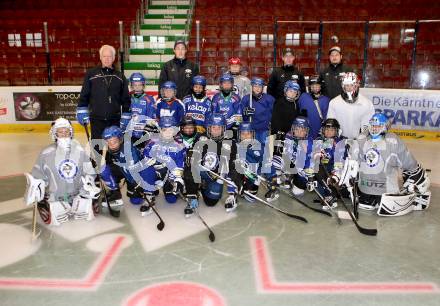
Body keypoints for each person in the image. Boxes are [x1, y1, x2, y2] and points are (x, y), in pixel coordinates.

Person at [344, 113, 431, 216]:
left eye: (378, 125)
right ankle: (417, 182)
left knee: (413, 172)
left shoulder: (392, 140)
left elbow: (409, 164)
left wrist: (415, 173)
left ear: (385, 126)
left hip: (386, 193)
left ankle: (418, 184)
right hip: (364, 192)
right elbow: (351, 163)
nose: (374, 128)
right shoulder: (361, 139)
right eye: (373, 125)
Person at [24, 118, 100, 226]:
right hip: (56, 197)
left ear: (71, 132)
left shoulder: (79, 150)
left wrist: (89, 181)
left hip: (78, 195)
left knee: (86, 208)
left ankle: (77, 203)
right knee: (56, 212)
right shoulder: (46, 153)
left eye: (66, 131)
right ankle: (51, 205)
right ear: (54, 133)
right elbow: (37, 174)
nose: (64, 134)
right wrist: (36, 186)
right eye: (60, 131)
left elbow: (89, 171)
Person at [184, 113, 241, 215]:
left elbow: (234, 164)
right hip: (201, 171)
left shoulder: (230, 143)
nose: (216, 130)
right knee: (190, 168)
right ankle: (192, 196)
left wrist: (234, 179)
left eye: (219, 127)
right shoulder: (201, 138)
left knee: (211, 202)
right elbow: (193, 154)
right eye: (213, 127)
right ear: (208, 127)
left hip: (216, 176)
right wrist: (190, 155)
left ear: (224, 128)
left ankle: (203, 187)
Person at [77, 45, 130, 142]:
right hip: (96, 119)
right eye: (104, 56)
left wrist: (126, 114)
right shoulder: (91, 74)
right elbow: (84, 95)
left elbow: (126, 99)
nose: (107, 59)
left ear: (114, 58)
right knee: (97, 150)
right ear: (100, 57)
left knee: (113, 150)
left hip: (114, 120)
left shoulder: (120, 76)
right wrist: (82, 109)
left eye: (109, 56)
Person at [100, 126, 156, 209]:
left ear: (120, 139)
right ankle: (115, 194)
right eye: (108, 142)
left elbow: (133, 168)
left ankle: (149, 194)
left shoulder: (128, 148)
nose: (111, 145)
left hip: (139, 173)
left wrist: (138, 184)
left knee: (148, 168)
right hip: (126, 172)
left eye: (114, 141)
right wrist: (103, 154)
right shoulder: (108, 149)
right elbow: (104, 166)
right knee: (103, 170)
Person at [142, 116, 186, 212]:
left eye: (171, 130)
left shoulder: (180, 145)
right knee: (146, 170)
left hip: (169, 174)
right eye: (165, 130)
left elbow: (179, 164)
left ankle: (170, 187)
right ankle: (149, 195)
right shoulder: (152, 142)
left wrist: (177, 179)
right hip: (156, 171)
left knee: (171, 199)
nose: (168, 133)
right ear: (160, 130)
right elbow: (146, 159)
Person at [272, 116, 320, 196]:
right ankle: (286, 177)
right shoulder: (288, 136)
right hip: (293, 163)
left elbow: (312, 162)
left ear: (307, 131)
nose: (299, 132)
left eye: (302, 130)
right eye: (297, 129)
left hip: (303, 168)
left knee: (297, 192)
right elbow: (285, 153)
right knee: (276, 160)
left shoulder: (310, 143)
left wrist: (310, 177)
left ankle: (294, 180)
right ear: (293, 129)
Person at [326, 72, 375, 139]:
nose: (349, 88)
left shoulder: (366, 104)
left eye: (352, 85)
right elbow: (331, 124)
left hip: (358, 140)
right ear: (343, 86)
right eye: (347, 85)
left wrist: (361, 138)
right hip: (339, 140)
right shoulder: (334, 102)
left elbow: (366, 125)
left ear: (357, 85)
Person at [121, 72, 157, 148]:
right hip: (130, 132)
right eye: (135, 85)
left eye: (139, 84)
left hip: (143, 132)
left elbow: (151, 117)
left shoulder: (149, 99)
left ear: (143, 85)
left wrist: (147, 130)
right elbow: (124, 115)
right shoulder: (127, 98)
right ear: (131, 85)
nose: (137, 87)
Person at [241, 77, 275, 153]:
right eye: (255, 86)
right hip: (251, 130)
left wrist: (271, 125)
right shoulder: (246, 99)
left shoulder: (269, 99)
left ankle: (264, 163)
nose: (257, 88)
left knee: (264, 148)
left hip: (264, 129)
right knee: (251, 148)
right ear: (251, 87)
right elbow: (241, 117)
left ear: (263, 88)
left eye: (260, 86)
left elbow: (274, 114)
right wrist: (245, 113)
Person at [211, 73, 242, 137]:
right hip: (219, 126)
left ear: (232, 85)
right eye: (224, 83)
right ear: (221, 85)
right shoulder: (216, 97)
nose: (227, 85)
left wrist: (236, 125)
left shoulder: (236, 97)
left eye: (229, 83)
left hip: (231, 126)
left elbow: (239, 113)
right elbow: (213, 113)